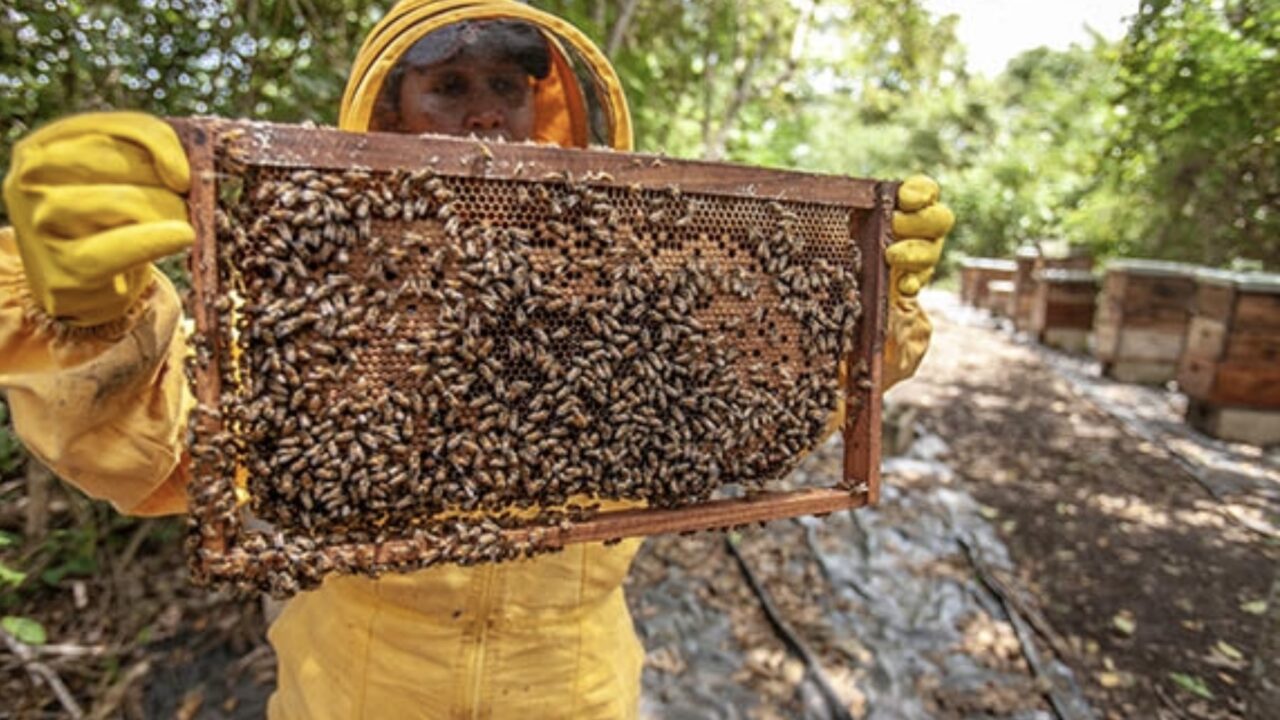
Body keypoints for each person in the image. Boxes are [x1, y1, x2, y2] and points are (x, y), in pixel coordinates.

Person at [0, 1, 952, 717]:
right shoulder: (315, 295)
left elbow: (766, 406)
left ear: (552, 113)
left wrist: (867, 309)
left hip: (572, 691)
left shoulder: (643, 282)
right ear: (388, 110)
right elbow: (162, 455)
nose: (486, 119)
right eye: (448, 87)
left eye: (508, 88)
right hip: (357, 691)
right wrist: (89, 318)